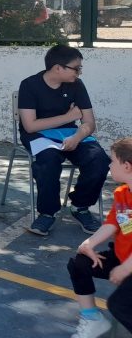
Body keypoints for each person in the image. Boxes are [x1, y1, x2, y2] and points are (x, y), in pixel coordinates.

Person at [18, 44, 109, 236]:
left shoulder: (77, 85)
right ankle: (47, 213)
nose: (79, 72)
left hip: (70, 133)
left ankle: (80, 206)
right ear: (58, 68)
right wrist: (68, 116)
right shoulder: (29, 85)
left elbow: (89, 122)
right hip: (38, 135)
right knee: (48, 160)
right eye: (76, 68)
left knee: (99, 159)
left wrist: (77, 136)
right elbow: (30, 126)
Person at [66, 137, 132, 338]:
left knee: (119, 306)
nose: (109, 165)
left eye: (112, 161)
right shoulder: (122, 193)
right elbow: (114, 223)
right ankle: (93, 319)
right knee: (80, 263)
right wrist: (89, 243)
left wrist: (125, 269)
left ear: (127, 166)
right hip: (122, 259)